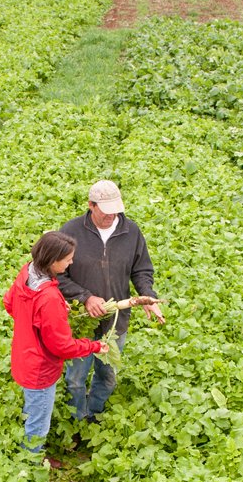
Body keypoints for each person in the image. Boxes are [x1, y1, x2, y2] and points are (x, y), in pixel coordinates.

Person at [58, 180, 164, 423]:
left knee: (107, 375)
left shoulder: (131, 232)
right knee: (75, 378)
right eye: (105, 211)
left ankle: (94, 414)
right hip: (81, 321)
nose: (112, 216)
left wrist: (147, 295)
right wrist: (85, 298)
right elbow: (57, 275)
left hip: (116, 322)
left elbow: (142, 270)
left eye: (115, 210)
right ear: (91, 206)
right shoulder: (71, 232)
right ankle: (78, 418)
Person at [4, 231, 105, 459]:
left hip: (23, 356)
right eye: (68, 259)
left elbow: (9, 302)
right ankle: (30, 465)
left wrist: (39, 321)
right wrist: (94, 346)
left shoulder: (28, 272)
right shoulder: (48, 297)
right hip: (40, 368)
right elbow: (62, 347)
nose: (71, 262)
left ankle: (31, 456)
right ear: (52, 260)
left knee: (32, 409)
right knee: (38, 425)